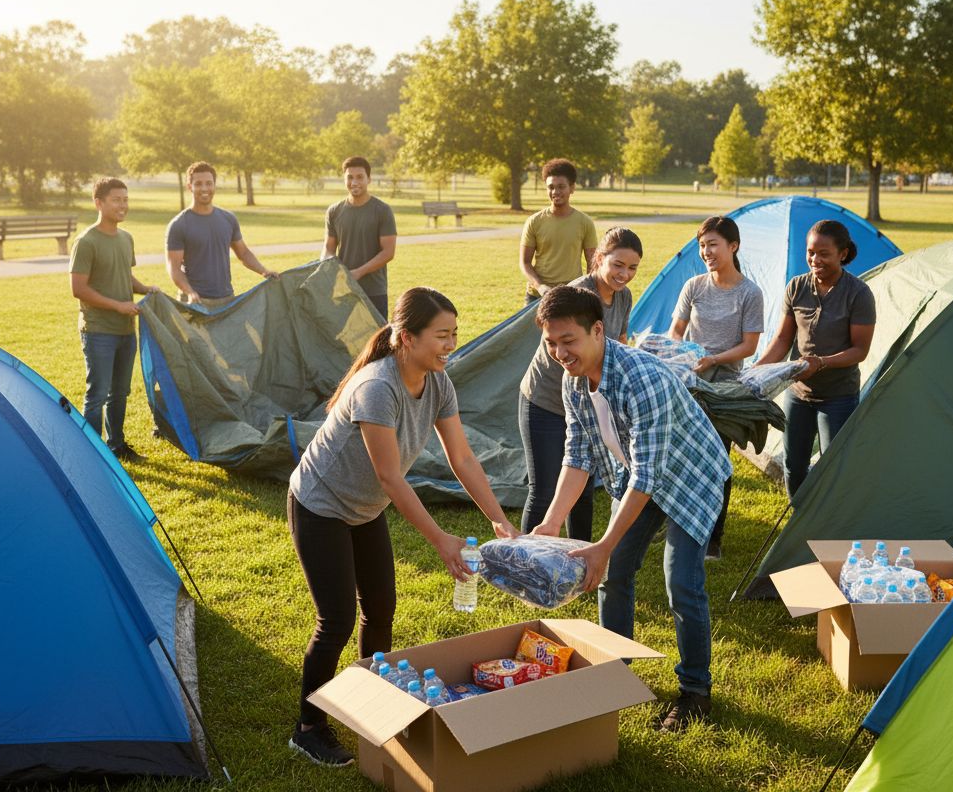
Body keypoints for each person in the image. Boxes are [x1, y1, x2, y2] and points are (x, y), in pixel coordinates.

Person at [287, 287, 518, 767]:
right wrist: (441, 540)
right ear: (405, 338)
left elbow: (463, 457)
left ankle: (374, 705)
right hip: (320, 505)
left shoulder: (437, 382)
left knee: (382, 610)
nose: (450, 343)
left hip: (364, 510)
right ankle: (309, 727)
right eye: (441, 335)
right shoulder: (377, 387)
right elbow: (390, 476)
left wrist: (498, 518)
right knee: (336, 621)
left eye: (454, 333)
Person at [532, 286, 731, 732]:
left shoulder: (645, 379)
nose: (560, 352)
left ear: (598, 331)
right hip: (638, 472)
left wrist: (602, 543)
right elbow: (577, 454)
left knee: (681, 581)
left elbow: (649, 476)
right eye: (551, 342)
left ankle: (695, 690)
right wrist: (550, 521)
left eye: (569, 340)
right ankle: (616, 672)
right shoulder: (573, 380)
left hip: (690, 474)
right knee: (614, 573)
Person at [519, 227, 643, 540]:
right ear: (599, 258)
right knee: (545, 491)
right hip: (545, 401)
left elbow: (620, 342)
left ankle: (578, 559)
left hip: (586, 403)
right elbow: (561, 349)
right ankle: (525, 564)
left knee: (583, 487)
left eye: (632, 268)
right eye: (617, 265)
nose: (624, 274)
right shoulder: (577, 295)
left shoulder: (623, 297)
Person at [756, 219, 876, 499]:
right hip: (798, 394)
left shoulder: (858, 294)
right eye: (810, 252)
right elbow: (783, 341)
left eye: (824, 254)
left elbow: (860, 350)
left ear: (843, 254)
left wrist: (820, 362)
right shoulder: (797, 287)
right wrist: (756, 372)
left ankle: (829, 526)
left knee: (832, 467)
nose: (814, 259)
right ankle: (799, 521)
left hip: (838, 396)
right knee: (793, 466)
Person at [668, 216, 764, 559]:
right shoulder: (694, 285)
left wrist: (713, 359)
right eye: (702, 245)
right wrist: (679, 354)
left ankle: (713, 539)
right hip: (690, 381)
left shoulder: (749, 293)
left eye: (713, 244)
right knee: (682, 456)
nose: (706, 251)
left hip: (724, 388)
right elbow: (676, 331)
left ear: (732, 247)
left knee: (716, 460)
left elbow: (749, 346)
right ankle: (678, 525)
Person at [69, 177, 159, 463]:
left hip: (125, 330)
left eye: (125, 200)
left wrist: (145, 289)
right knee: (97, 394)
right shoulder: (86, 241)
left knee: (120, 392)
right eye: (116, 200)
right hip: (98, 330)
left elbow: (123, 275)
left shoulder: (126, 238)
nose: (123, 205)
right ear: (99, 202)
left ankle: (116, 445)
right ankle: (92, 453)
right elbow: (78, 289)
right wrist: (118, 306)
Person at [165, 161, 278, 306]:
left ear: (214, 185)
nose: (204, 188)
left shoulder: (228, 219)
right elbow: (173, 268)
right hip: (195, 303)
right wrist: (190, 292)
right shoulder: (178, 225)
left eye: (209, 183)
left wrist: (264, 271)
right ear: (189, 187)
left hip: (226, 300)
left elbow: (243, 253)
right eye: (198, 184)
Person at [321, 156, 397, 319]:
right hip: (343, 289)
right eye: (350, 177)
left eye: (360, 177)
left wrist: (358, 273)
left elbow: (388, 252)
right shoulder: (334, 211)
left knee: (377, 341)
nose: (354, 182)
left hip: (374, 290)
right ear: (344, 179)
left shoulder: (382, 210)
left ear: (369, 179)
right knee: (343, 342)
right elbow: (328, 248)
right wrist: (328, 270)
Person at [519, 158, 597, 305]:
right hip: (537, 297)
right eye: (551, 187)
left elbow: (592, 263)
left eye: (561, 186)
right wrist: (540, 286)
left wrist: (586, 291)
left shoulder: (585, 222)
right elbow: (525, 262)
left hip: (571, 295)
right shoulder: (534, 221)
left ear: (572, 188)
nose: (555, 192)